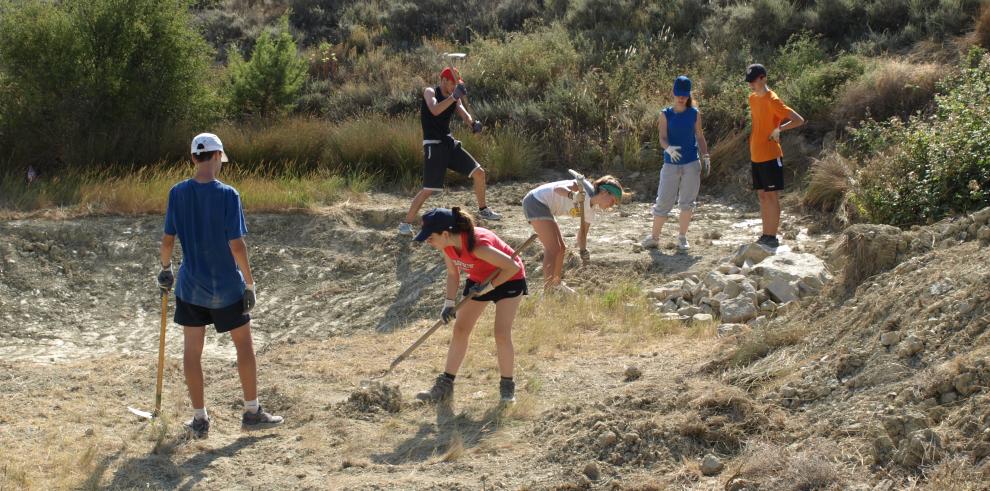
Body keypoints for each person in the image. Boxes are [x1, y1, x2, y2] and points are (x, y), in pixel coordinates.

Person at [157, 133, 283, 438]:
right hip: (226, 286)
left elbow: (168, 240)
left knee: (191, 353)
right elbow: (237, 245)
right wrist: (249, 284)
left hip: (190, 287)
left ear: (193, 159)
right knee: (244, 347)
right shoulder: (228, 195)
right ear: (217, 157)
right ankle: (252, 411)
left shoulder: (177, 193)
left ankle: (199, 419)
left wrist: (164, 269)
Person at [413, 207, 527, 404]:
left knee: (501, 333)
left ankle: (507, 388)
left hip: (509, 279)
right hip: (479, 281)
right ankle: (445, 385)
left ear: (446, 233)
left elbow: (512, 267)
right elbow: (452, 274)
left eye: (430, 237)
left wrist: (489, 286)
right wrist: (448, 303)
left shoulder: (478, 245)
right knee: (460, 330)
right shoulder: (447, 246)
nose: (427, 242)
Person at [398, 67, 501, 236]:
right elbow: (435, 110)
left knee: (479, 173)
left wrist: (472, 124)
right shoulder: (430, 92)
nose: (454, 88)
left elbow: (463, 112)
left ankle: (483, 209)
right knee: (428, 190)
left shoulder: (454, 96)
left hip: (448, 143)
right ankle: (405, 224)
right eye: (453, 84)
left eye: (456, 86)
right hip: (434, 145)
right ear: (444, 80)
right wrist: (454, 97)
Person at [642, 76, 710, 252]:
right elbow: (662, 138)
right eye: (678, 94)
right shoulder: (666, 114)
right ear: (673, 93)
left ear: (688, 95)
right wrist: (668, 148)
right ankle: (654, 237)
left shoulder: (695, 114)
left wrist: (706, 155)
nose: (681, 98)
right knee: (664, 200)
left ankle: (682, 237)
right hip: (670, 163)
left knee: (687, 202)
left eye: (684, 95)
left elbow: (700, 136)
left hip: (691, 163)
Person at [522, 175, 623, 292]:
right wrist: (573, 195)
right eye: (613, 200)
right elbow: (558, 189)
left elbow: (583, 233)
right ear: (605, 192)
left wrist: (583, 250)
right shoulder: (582, 187)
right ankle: (548, 291)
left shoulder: (591, 211)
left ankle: (556, 283)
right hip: (535, 201)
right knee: (553, 248)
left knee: (561, 249)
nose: (612, 205)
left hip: (547, 209)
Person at [744, 63, 805, 248]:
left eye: (754, 81)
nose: (751, 85)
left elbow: (798, 120)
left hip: (770, 154)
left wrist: (779, 129)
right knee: (762, 197)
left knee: (772, 197)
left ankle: (772, 236)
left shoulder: (773, 100)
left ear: (763, 78)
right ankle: (765, 234)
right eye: (749, 82)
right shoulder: (753, 99)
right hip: (756, 154)